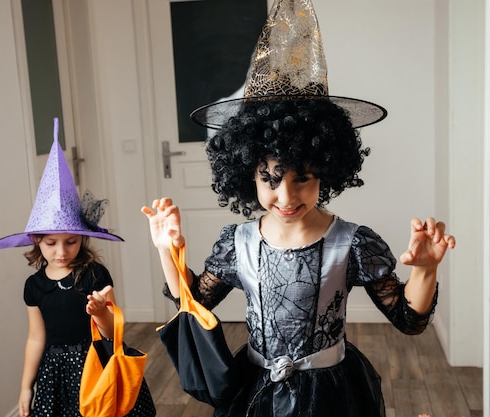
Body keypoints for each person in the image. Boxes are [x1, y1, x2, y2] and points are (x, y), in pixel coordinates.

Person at [142, 1, 455, 416]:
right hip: (256, 392)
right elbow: (193, 302)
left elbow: (409, 320)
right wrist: (167, 249)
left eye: (302, 178)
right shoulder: (237, 244)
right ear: (246, 173)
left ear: (327, 169)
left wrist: (426, 269)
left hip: (331, 395)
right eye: (269, 178)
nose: (286, 197)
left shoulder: (353, 243)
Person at [0, 119, 154, 417]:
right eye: (51, 243)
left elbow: (111, 332)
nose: (61, 251)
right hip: (55, 374)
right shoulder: (34, 286)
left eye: (71, 241)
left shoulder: (95, 275)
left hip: (97, 362)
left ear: (82, 238)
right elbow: (36, 337)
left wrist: (101, 311)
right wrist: (26, 386)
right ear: (36, 240)